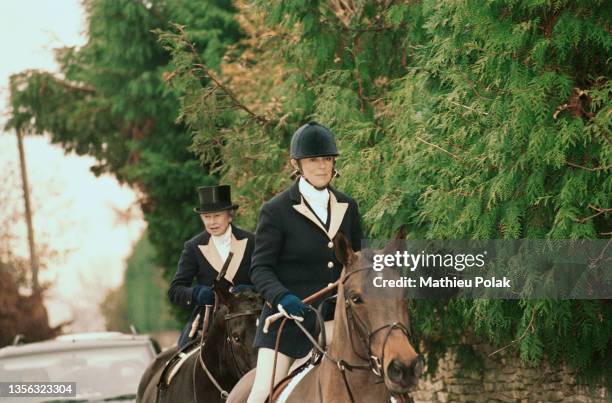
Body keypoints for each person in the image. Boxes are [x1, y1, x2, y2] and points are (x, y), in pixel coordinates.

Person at [247, 122, 363, 403]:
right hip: (288, 325)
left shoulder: (348, 206)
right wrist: (282, 297)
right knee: (262, 393)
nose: (322, 166)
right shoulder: (276, 211)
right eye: (313, 160)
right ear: (296, 164)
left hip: (336, 324)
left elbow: (357, 263)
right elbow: (260, 269)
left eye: (327, 159)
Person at [168, 185, 254, 348]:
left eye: (217, 216)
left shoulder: (251, 242)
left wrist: (250, 290)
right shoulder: (193, 247)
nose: (212, 222)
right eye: (207, 217)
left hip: (247, 318)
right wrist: (196, 293)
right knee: (182, 358)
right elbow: (175, 290)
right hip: (208, 322)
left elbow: (265, 278)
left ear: (229, 216)